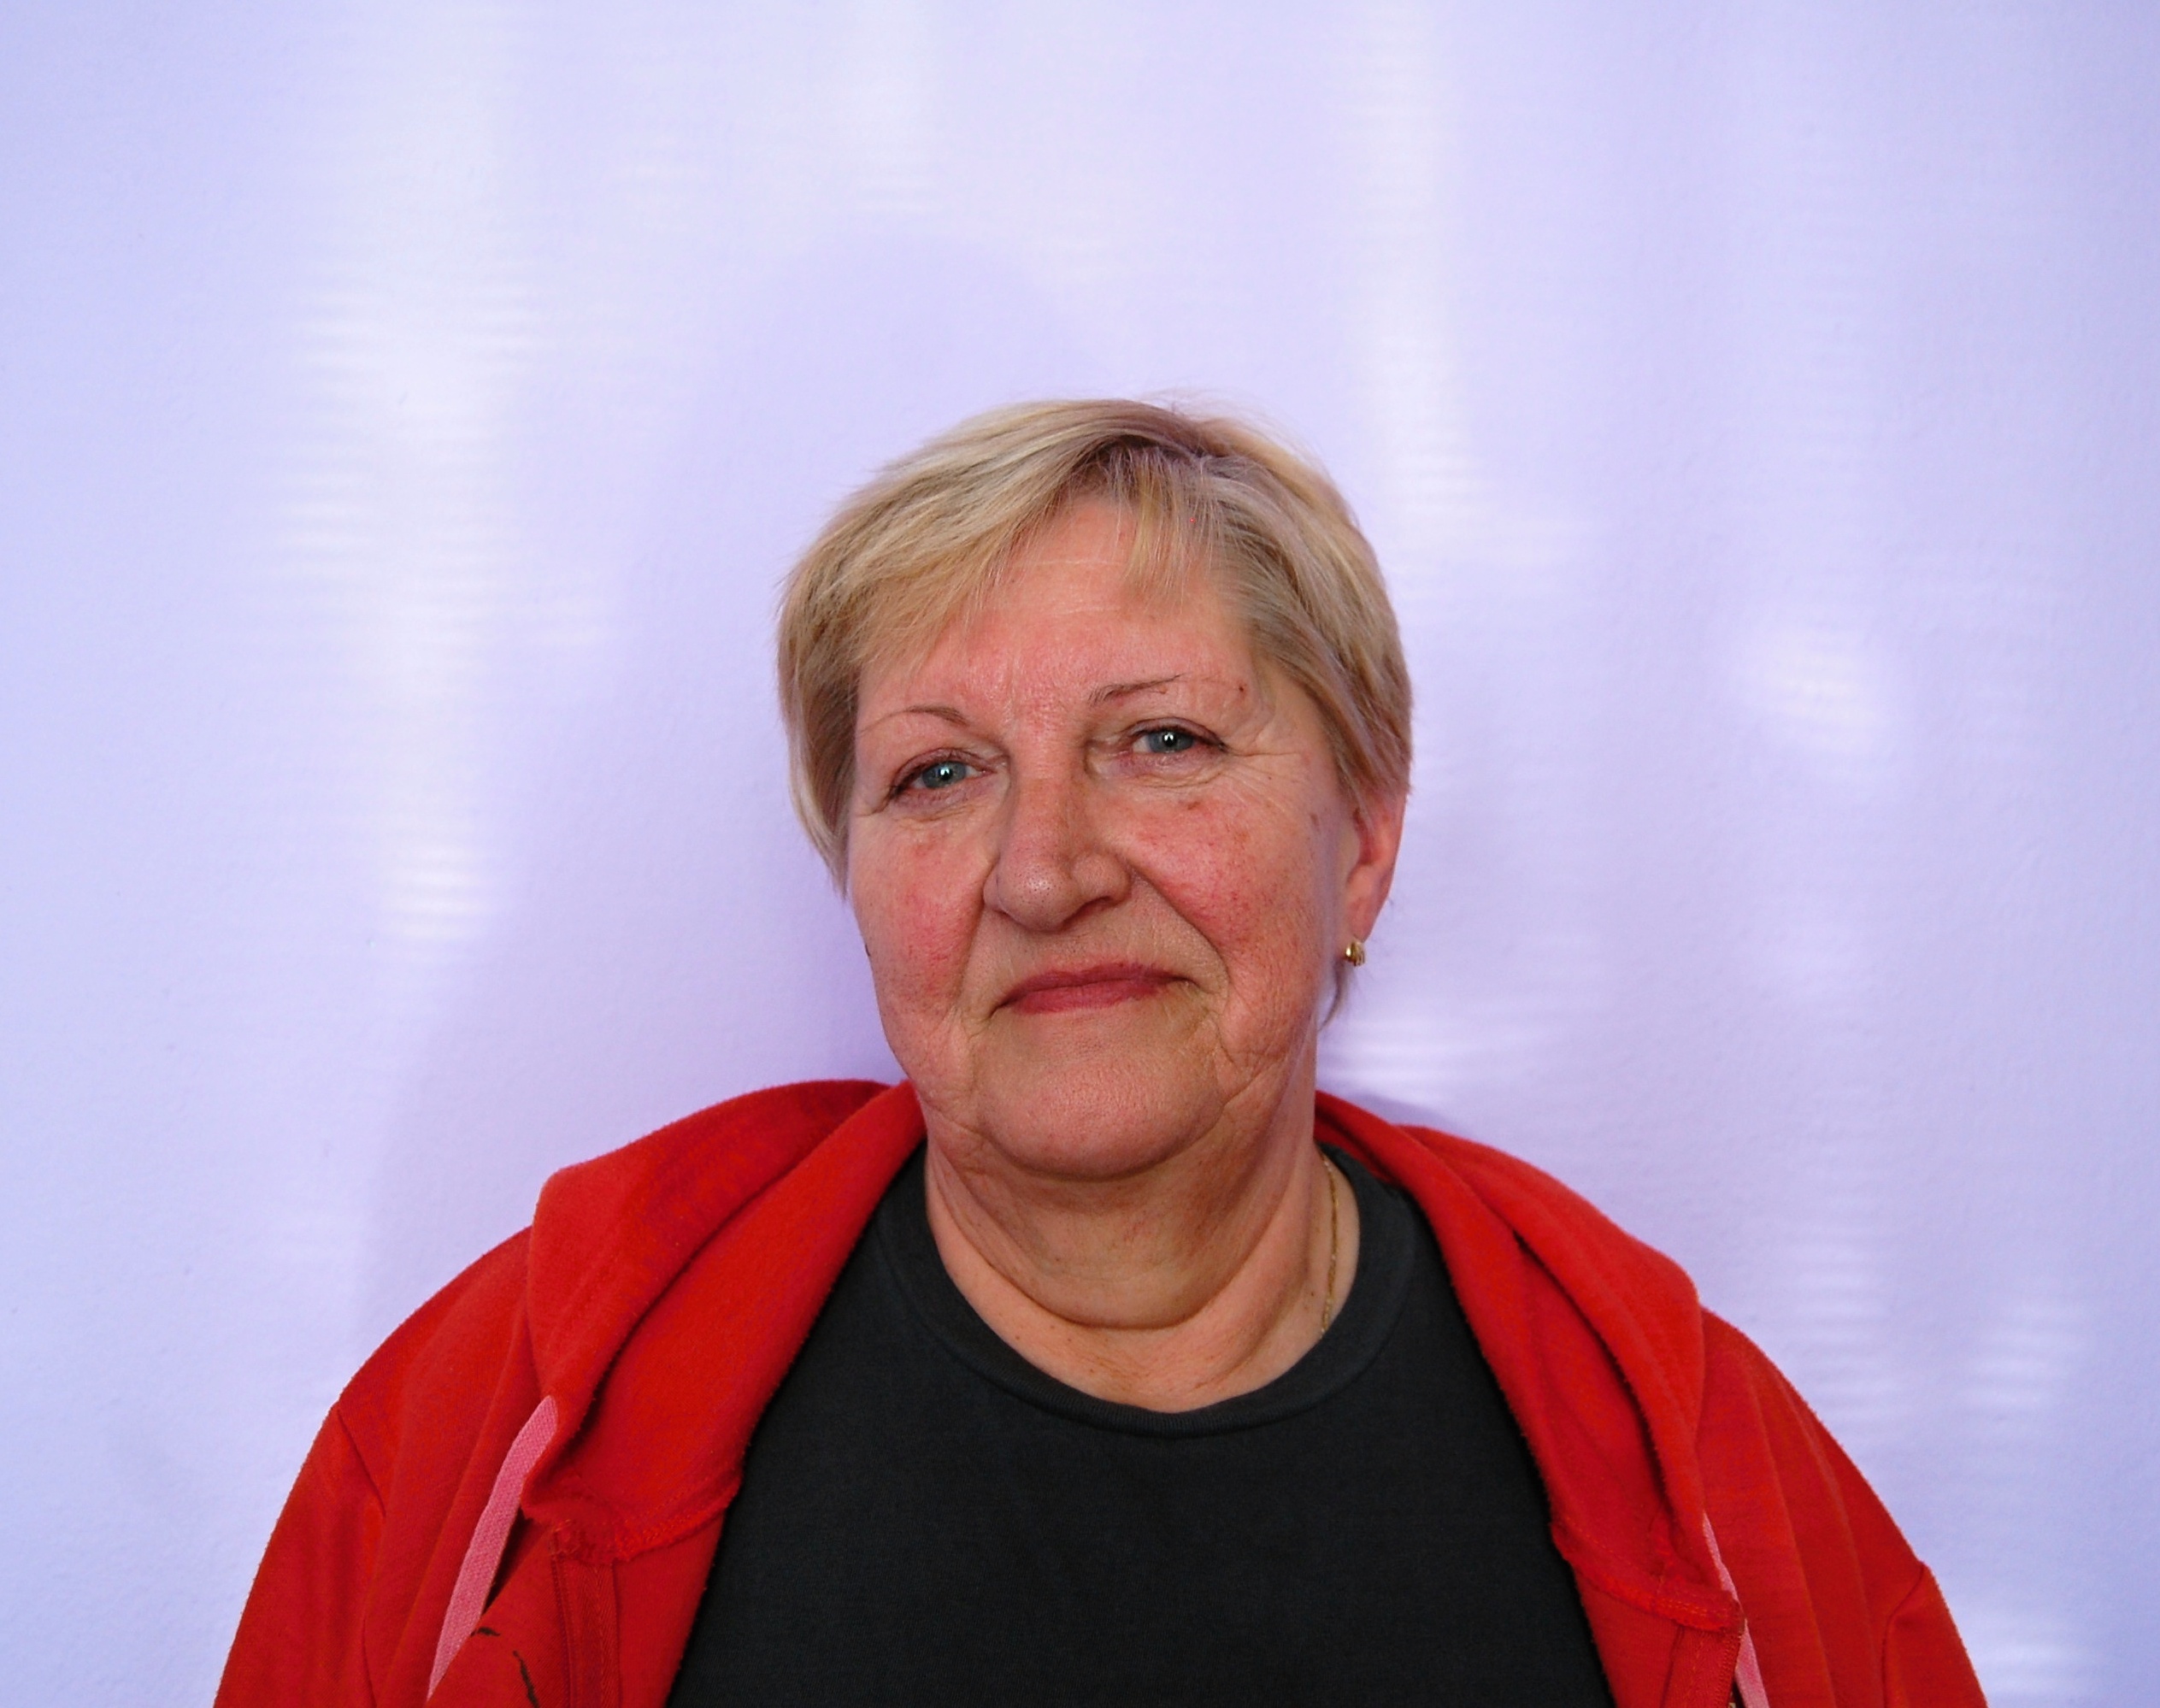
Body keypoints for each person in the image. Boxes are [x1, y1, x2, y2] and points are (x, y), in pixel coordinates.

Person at [217, 401, 1984, 1706]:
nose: (1046, 870)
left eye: (1162, 741)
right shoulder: (499, 1413)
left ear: (1364, 841)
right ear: (856, 876)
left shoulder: (1708, 1463)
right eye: (938, 773)